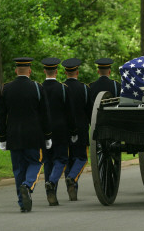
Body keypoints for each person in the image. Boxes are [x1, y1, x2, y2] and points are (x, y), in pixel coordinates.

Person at [0, 57, 52, 213]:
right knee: (36, 162)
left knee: (18, 169)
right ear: (30, 70)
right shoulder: (37, 87)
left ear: (16, 70)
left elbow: (1, 116)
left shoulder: (5, 89)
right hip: (34, 135)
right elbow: (45, 114)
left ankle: (23, 203)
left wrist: (2, 138)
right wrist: (48, 135)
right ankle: (27, 185)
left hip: (13, 135)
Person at [41, 57, 77, 206]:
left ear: (45, 71)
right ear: (56, 71)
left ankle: (52, 194)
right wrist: (74, 131)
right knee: (61, 159)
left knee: (48, 161)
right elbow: (69, 113)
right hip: (60, 130)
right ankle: (52, 182)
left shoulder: (39, 87)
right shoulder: (63, 89)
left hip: (44, 130)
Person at [62, 58, 92, 201]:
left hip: (64, 129)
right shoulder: (84, 89)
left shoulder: (61, 88)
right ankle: (72, 178)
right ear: (77, 72)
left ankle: (72, 188)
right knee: (81, 158)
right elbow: (90, 111)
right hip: (80, 129)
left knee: (69, 159)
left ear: (65, 72)